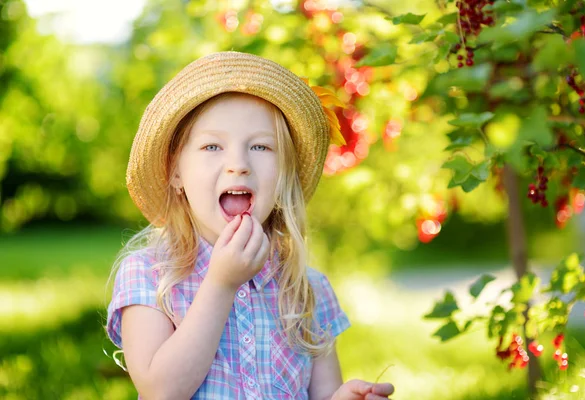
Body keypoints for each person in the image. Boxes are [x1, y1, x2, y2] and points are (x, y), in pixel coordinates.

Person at [106, 51, 394, 400]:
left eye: (260, 146)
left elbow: (323, 393)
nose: (239, 164)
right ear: (176, 173)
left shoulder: (306, 289)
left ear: (284, 174)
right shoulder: (150, 274)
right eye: (212, 146)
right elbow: (160, 391)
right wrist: (221, 284)